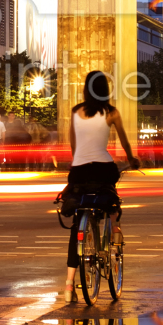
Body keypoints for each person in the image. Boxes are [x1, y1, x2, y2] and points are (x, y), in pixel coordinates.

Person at [63, 71, 140, 304]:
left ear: (86, 90)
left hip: (79, 170)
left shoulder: (76, 112)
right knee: (111, 196)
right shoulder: (111, 113)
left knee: (77, 223)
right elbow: (125, 142)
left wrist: (77, 163)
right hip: (102, 168)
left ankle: (69, 285)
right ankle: (114, 225)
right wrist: (132, 159)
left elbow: (74, 146)